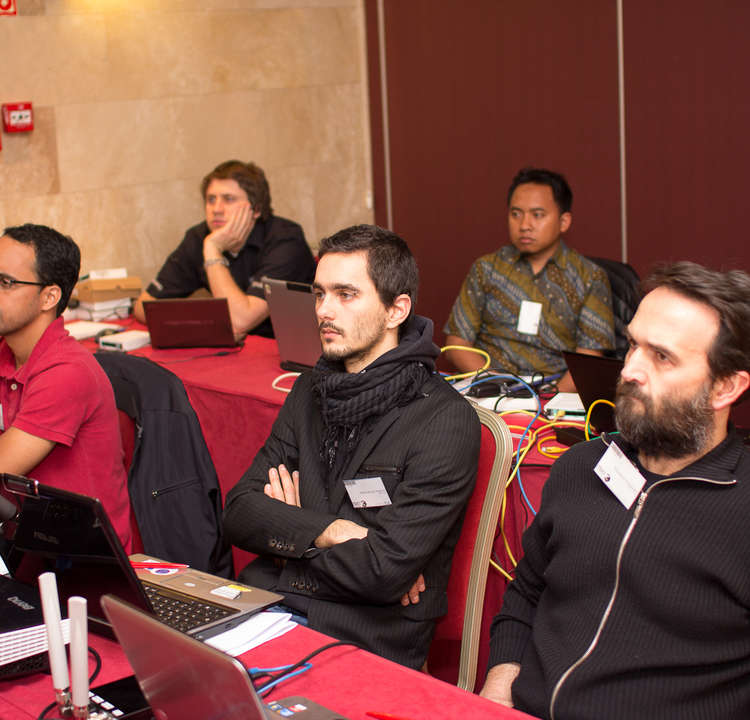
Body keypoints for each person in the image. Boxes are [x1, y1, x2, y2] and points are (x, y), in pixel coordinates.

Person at [480, 262, 750, 719]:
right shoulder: (581, 466)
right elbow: (526, 592)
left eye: (661, 357)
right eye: (632, 345)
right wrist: (501, 685)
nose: (630, 370)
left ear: (725, 386)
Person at [223, 224, 481, 669]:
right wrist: (334, 531)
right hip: (265, 608)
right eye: (319, 294)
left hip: (359, 636)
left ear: (396, 310)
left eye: (346, 295)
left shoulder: (443, 420)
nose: (324, 310)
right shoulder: (309, 389)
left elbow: (383, 571)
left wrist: (287, 539)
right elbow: (239, 512)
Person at [0, 224, 131, 550]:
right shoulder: (6, 352)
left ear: (49, 297)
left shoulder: (67, 371)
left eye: (5, 283)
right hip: (23, 543)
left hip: (79, 560)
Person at [444, 167, 615, 392]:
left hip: (552, 394)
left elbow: (587, 361)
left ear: (564, 221)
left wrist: (546, 400)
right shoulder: (486, 269)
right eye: (516, 214)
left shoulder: (590, 278)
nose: (524, 225)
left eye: (537, 215)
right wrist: (498, 386)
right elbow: (456, 345)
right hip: (488, 389)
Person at [134, 160, 315, 338]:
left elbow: (240, 321)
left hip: (292, 345)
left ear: (256, 209)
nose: (216, 209)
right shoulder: (198, 237)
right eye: (211, 199)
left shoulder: (285, 239)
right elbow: (144, 308)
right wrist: (201, 325)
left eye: (228, 199)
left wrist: (213, 250)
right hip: (237, 346)